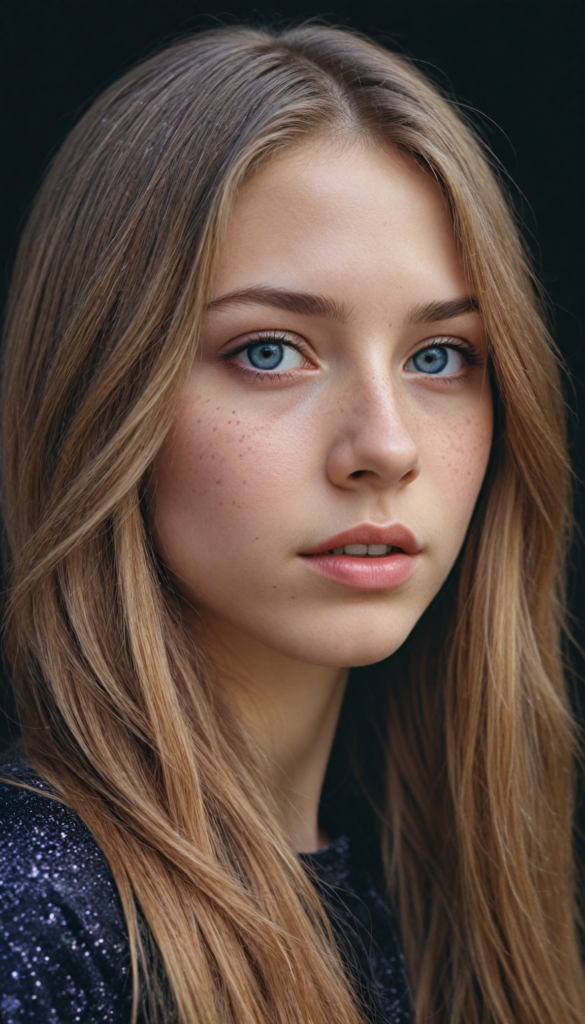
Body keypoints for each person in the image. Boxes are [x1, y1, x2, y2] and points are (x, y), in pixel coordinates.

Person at [0, 21, 582, 1024]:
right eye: (272, 351)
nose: (386, 445)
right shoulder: (44, 921)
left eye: (439, 354)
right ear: (105, 393)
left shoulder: (443, 902)